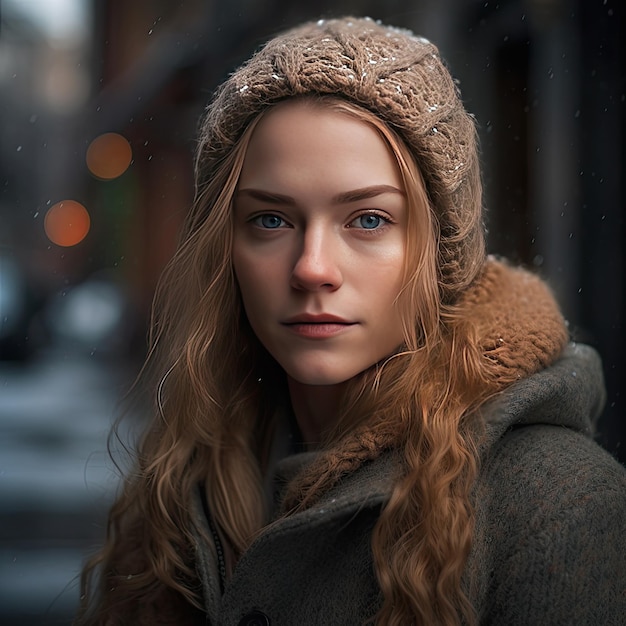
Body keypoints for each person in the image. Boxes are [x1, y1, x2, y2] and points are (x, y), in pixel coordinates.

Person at [76, 16, 626, 626]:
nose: (312, 269)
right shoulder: (180, 492)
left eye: (367, 220)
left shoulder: (561, 505)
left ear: (439, 253)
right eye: (271, 220)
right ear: (225, 247)